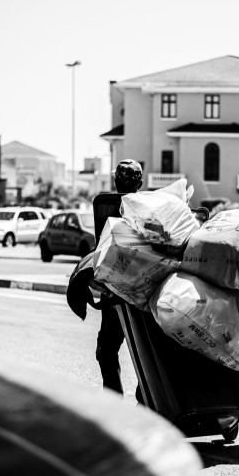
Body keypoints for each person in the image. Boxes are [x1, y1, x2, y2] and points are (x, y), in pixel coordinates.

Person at [94, 159, 143, 395]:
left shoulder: (104, 208)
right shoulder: (150, 208)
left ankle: (114, 405)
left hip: (115, 294)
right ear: (140, 184)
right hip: (143, 293)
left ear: (115, 182)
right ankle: (145, 399)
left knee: (106, 350)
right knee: (146, 355)